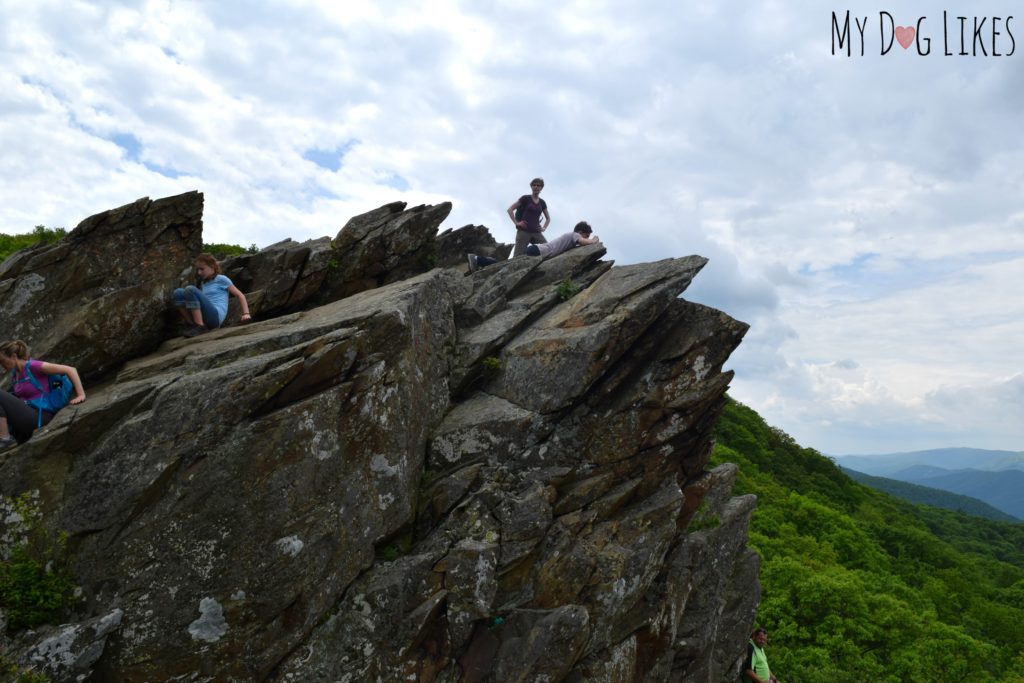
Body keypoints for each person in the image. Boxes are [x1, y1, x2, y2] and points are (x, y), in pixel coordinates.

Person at [0, 340, 86, 448]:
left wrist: (81, 394)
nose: (2, 365)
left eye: (3, 361)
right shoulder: (15, 375)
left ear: (13, 356)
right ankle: (7, 436)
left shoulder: (33, 366)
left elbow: (70, 370)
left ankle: (5, 438)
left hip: (40, 416)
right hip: (26, 418)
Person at [467, 221, 600, 272]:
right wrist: (594, 240)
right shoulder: (574, 235)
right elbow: (585, 242)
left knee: (508, 266)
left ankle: (479, 261)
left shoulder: (571, 237)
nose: (586, 238)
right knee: (507, 267)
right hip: (537, 251)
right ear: (581, 232)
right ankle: (477, 260)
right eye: (586, 235)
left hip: (537, 251)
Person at [172, 253, 251, 337]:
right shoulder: (203, 283)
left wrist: (246, 313)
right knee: (178, 292)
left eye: (202, 269)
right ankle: (192, 325)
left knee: (190, 289)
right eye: (198, 269)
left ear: (212, 267)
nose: (199, 272)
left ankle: (200, 326)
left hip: (215, 318)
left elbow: (240, 295)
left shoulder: (221, 279)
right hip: (206, 316)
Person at [507, 177, 551, 257]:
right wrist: (516, 223)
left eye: (538, 185)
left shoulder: (542, 202)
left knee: (548, 249)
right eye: (534, 185)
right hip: (523, 231)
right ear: (531, 186)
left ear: (541, 188)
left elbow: (548, 218)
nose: (536, 187)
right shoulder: (525, 198)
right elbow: (510, 210)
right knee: (517, 256)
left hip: (536, 232)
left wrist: (544, 228)